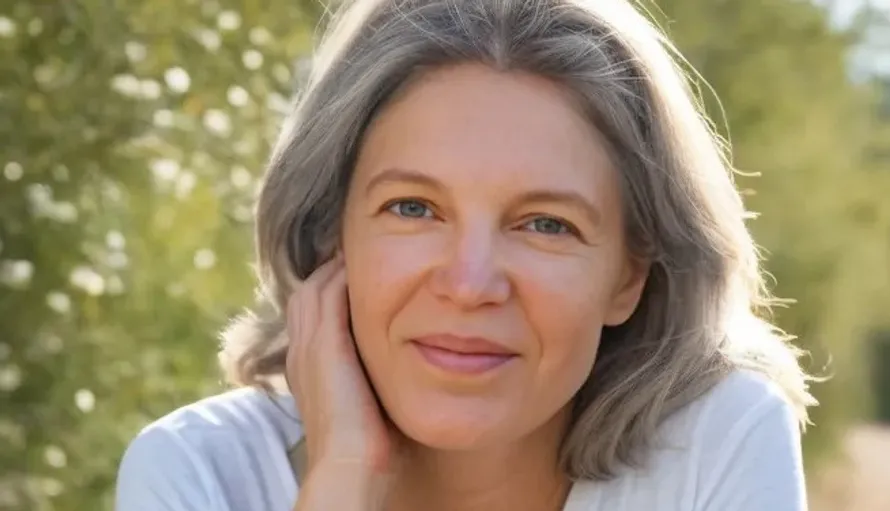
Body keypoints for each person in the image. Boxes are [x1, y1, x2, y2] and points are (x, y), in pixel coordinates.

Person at [115, 0, 817, 509]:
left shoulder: (717, 443)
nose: (469, 282)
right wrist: (343, 476)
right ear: (334, 235)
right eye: (413, 209)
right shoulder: (200, 473)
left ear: (628, 275)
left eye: (545, 224)